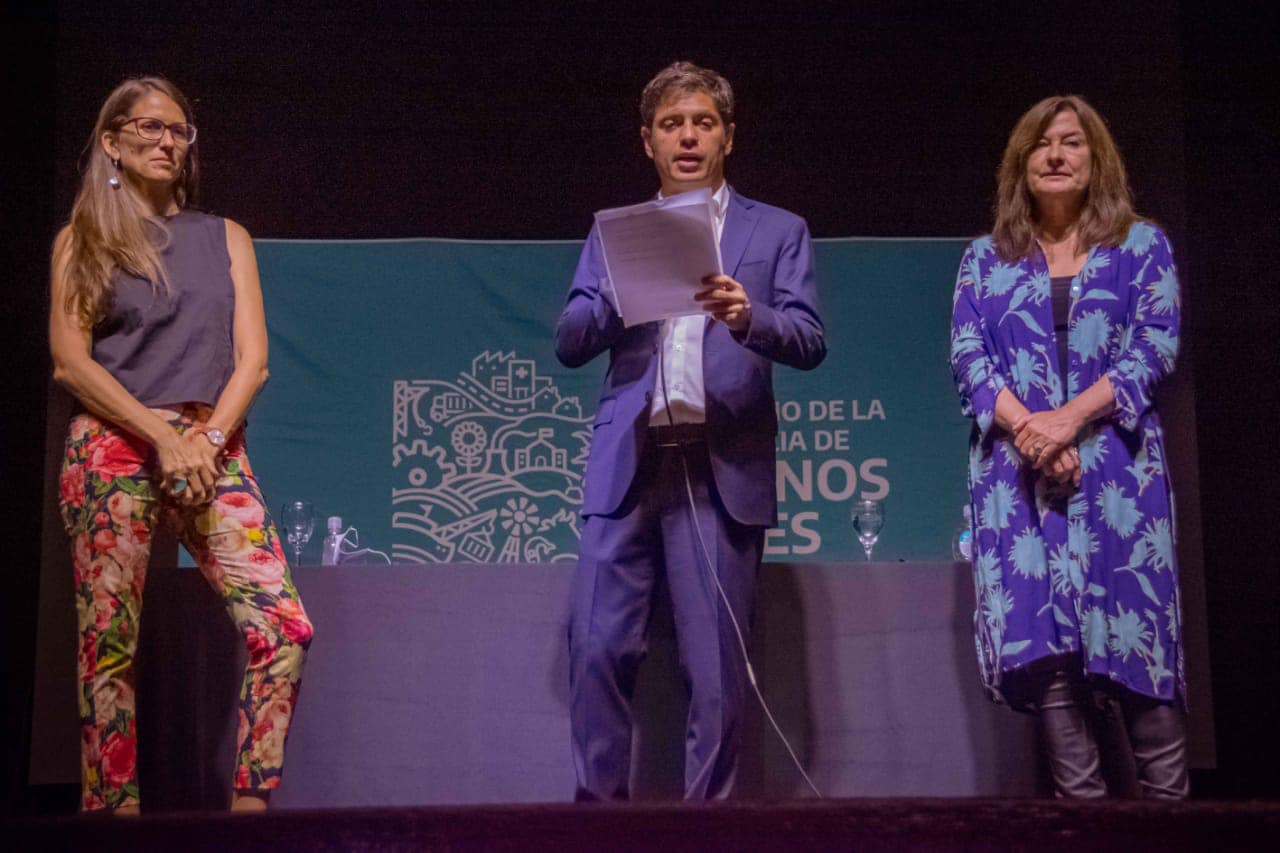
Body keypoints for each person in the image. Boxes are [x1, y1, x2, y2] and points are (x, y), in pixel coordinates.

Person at [556, 61, 826, 800]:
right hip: (630, 465)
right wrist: (618, 293)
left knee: (713, 670)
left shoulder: (776, 231)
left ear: (727, 137)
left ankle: (710, 829)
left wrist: (750, 316)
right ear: (647, 142)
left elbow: (808, 337)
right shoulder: (614, 233)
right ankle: (595, 822)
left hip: (718, 466)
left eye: (702, 122)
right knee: (597, 648)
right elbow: (571, 337)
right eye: (672, 124)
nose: (687, 136)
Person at [50, 76, 313, 814]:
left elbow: (253, 358)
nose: (168, 141)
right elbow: (71, 360)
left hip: (210, 442)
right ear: (113, 142)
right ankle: (114, 817)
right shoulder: (83, 239)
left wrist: (204, 439)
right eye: (150, 128)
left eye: (179, 130)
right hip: (114, 444)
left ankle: (250, 813)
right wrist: (162, 434)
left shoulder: (225, 236)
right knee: (109, 648)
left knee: (284, 629)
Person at [949, 95, 1187, 798]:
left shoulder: (1142, 246)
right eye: (1041, 145)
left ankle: (1176, 838)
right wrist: (1033, 430)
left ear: (1096, 159)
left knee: (1140, 663)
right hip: (1020, 488)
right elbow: (969, 359)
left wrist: (1066, 421)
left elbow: (1154, 347)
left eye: (1072, 143)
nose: (1056, 155)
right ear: (1021, 166)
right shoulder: (986, 260)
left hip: (1117, 479)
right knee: (1054, 673)